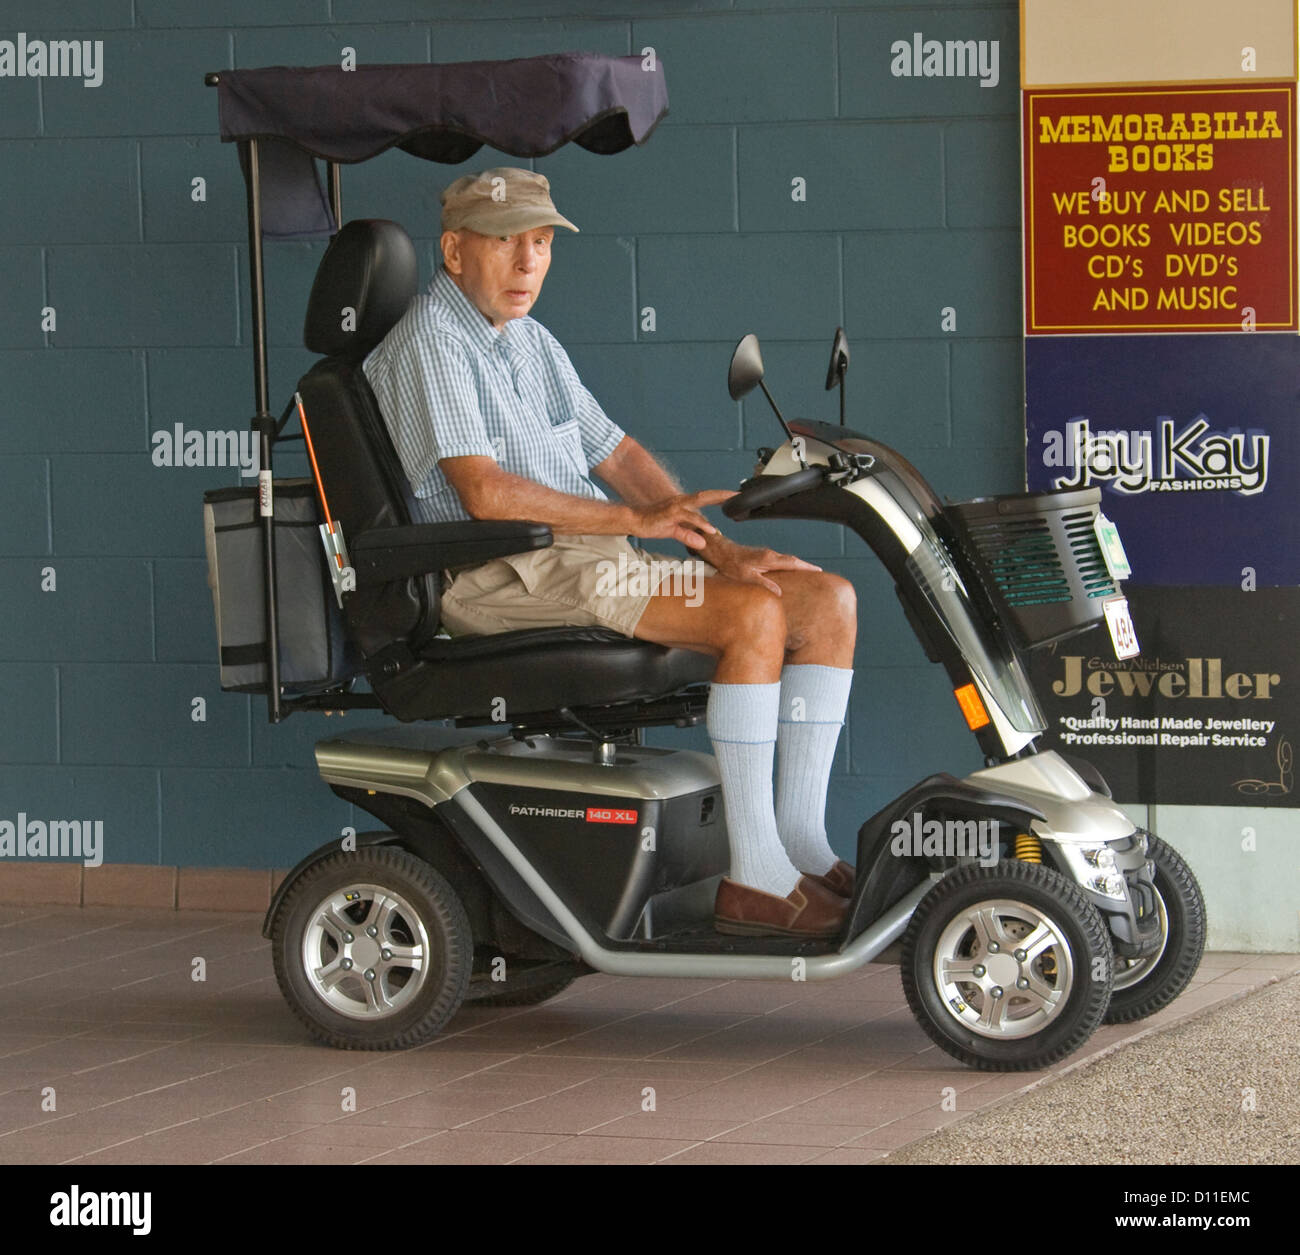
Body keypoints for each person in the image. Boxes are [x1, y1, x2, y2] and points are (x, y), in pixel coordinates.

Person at [363, 167, 858, 938]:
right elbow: (485, 494)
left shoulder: (526, 339)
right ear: (455, 252)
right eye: (506, 242)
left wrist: (720, 548)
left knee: (827, 602)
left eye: (541, 243)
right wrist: (630, 518)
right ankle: (754, 877)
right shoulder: (432, 342)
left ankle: (794, 843)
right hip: (499, 571)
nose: (529, 262)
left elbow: (615, 449)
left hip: (582, 559)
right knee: (752, 618)